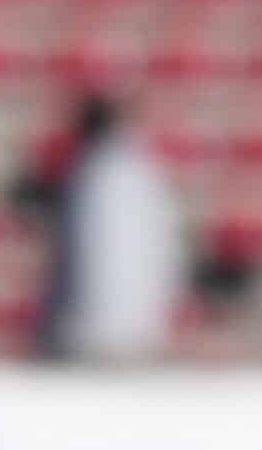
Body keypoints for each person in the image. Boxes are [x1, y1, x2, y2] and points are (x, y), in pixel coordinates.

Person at [21, 94, 187, 364]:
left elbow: (89, 256)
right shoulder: (146, 173)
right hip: (140, 334)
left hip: (91, 335)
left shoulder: (92, 174)